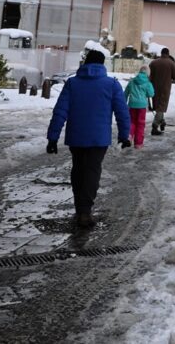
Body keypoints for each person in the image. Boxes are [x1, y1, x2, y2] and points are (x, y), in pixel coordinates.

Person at [46, 50, 131, 228]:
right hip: (99, 139)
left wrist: (52, 138)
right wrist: (124, 135)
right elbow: (122, 112)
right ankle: (85, 211)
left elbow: (60, 111)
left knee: (78, 170)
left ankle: (80, 209)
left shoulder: (72, 83)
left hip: (76, 137)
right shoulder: (112, 84)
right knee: (92, 171)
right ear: (102, 64)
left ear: (85, 63)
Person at [149, 47, 175, 136]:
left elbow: (149, 75)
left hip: (154, 87)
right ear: (168, 54)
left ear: (161, 53)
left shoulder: (153, 63)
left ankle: (162, 122)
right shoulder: (171, 63)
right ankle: (155, 126)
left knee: (158, 106)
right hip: (165, 88)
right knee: (161, 107)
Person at [124, 65, 155, 149]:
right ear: (148, 73)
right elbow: (151, 94)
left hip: (132, 105)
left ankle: (129, 135)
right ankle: (138, 143)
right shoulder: (148, 83)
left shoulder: (132, 81)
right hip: (142, 107)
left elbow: (126, 93)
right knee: (140, 124)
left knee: (131, 121)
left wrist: (124, 102)